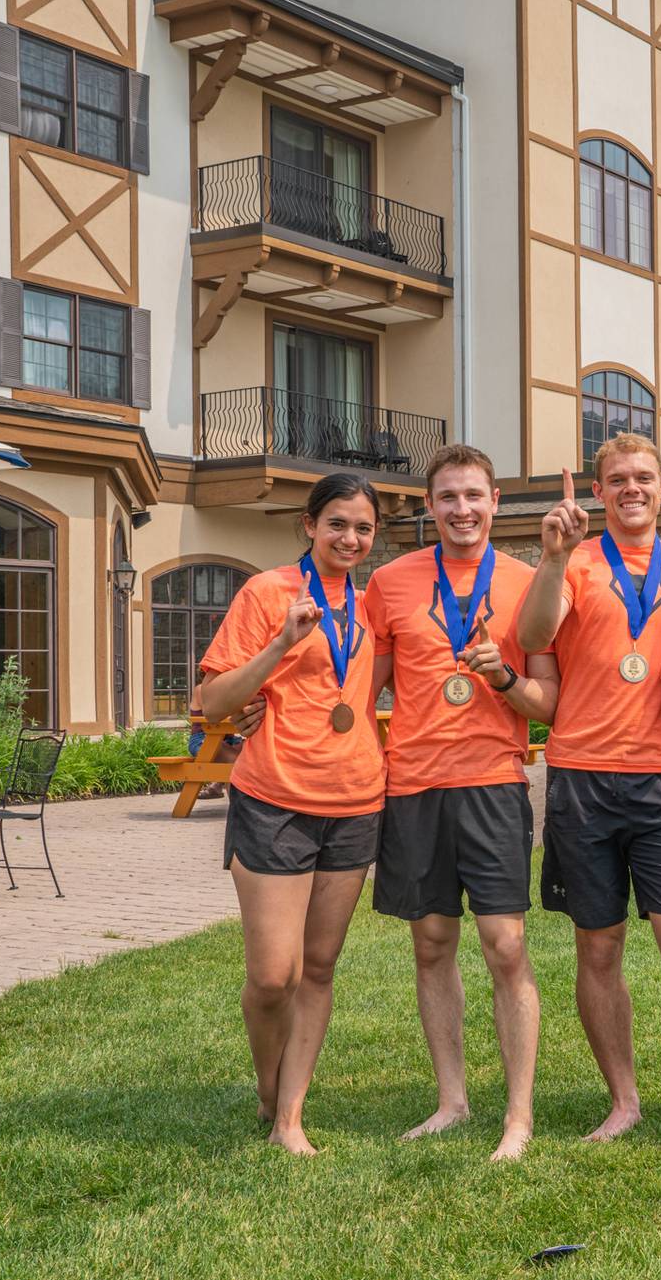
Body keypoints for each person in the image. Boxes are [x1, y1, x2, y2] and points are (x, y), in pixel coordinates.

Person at [515, 434, 661, 1159]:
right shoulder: (576, 564)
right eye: (617, 480)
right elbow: (533, 632)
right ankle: (625, 1098)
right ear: (598, 492)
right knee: (596, 947)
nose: (631, 488)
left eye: (643, 477)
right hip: (582, 778)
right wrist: (552, 554)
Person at [364, 444, 561, 1159]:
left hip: (494, 783)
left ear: (496, 500)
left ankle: (519, 1114)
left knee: (505, 945)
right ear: (428, 506)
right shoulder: (388, 582)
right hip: (414, 785)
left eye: (473, 494)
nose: (462, 509)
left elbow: (547, 702)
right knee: (431, 942)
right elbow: (363, 690)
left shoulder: (525, 581)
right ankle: (452, 1099)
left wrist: (502, 674)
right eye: (447, 496)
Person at [197, 473, 385, 1156]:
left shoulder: (373, 605)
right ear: (309, 524)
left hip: (358, 799)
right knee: (274, 975)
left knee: (321, 964)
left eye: (363, 528)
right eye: (338, 522)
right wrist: (279, 645)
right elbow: (214, 701)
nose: (351, 538)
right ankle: (268, 1083)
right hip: (275, 796)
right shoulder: (267, 591)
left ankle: (289, 1115)